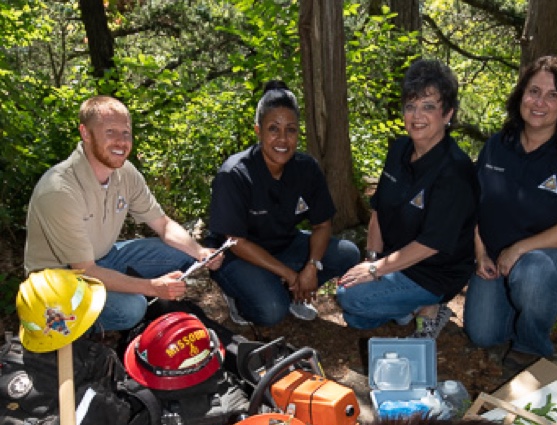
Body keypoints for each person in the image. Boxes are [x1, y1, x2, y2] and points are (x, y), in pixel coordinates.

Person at [24, 95, 223, 332]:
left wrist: (200, 252)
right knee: (132, 308)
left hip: (103, 258)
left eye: (126, 133)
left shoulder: (125, 173)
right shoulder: (59, 190)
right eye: (110, 132)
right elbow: (84, 270)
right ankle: (71, 329)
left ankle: (135, 304)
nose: (121, 142)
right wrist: (152, 287)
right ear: (85, 134)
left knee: (179, 252)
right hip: (59, 281)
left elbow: (163, 224)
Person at [463, 56, 557, 370]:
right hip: (499, 258)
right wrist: (480, 253)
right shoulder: (497, 146)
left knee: (533, 272)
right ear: (520, 95)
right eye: (533, 91)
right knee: (483, 333)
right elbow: (470, 203)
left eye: (553, 95)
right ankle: (527, 305)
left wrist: (520, 249)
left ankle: (531, 347)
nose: (540, 102)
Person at [336, 59, 478, 336]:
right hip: (394, 261)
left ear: (448, 114)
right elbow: (378, 211)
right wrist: (371, 259)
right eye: (410, 106)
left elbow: (430, 244)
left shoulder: (455, 171)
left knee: (349, 298)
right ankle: (411, 309)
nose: (417, 116)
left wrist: (374, 270)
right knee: (355, 316)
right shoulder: (399, 149)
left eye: (428, 107)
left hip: (433, 272)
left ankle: (431, 302)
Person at [205, 80, 360, 327]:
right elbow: (236, 242)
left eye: (291, 130)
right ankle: (241, 297)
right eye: (273, 129)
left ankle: (290, 291)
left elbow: (322, 223)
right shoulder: (235, 174)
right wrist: (290, 274)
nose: (283, 139)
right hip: (237, 255)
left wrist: (311, 267)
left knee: (347, 254)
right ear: (258, 131)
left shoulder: (306, 168)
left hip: (284, 245)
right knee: (272, 311)